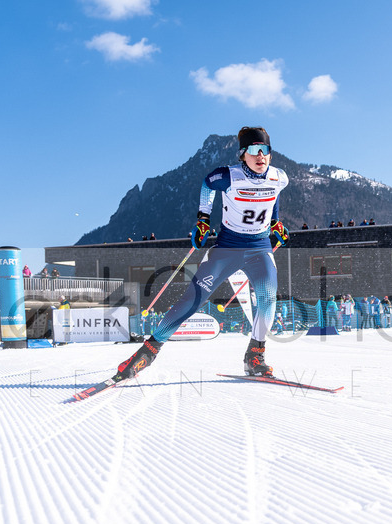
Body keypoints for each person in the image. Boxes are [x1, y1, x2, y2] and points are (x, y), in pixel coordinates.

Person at [113, 126, 290, 381]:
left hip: (260, 248)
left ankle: (255, 356)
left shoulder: (279, 177)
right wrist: (203, 220)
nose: (260, 155)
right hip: (228, 248)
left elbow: (273, 196)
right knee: (193, 300)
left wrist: (274, 222)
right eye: (254, 150)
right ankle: (147, 353)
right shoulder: (228, 176)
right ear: (243, 154)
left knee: (268, 298)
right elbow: (207, 184)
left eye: (265, 150)